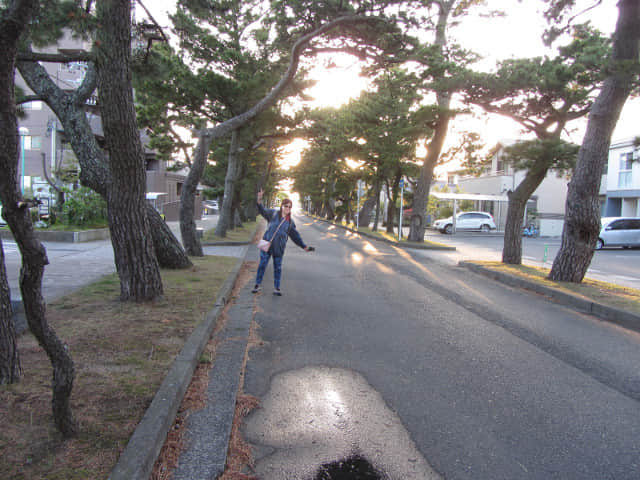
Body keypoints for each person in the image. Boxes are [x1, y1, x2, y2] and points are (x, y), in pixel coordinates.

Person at [252, 190, 314, 296]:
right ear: (282, 206)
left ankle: (277, 288)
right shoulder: (273, 214)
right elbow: (262, 210)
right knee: (262, 265)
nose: (288, 208)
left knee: (278, 267)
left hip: (279, 248)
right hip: (267, 244)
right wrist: (259, 199)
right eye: (286, 206)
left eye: (290, 207)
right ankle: (257, 285)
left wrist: (304, 246)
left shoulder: (290, 222)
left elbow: (296, 236)